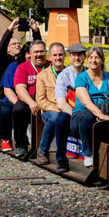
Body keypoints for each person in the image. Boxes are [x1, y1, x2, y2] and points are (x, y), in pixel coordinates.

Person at [69, 46, 109, 168]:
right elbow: (86, 102)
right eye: (91, 57)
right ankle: (88, 153)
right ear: (87, 60)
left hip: (105, 110)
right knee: (87, 116)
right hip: (81, 115)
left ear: (102, 60)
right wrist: (101, 116)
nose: (93, 60)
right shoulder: (81, 78)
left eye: (97, 57)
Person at [35, 42, 70, 171]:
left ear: (65, 56)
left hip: (67, 108)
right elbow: (41, 100)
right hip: (49, 110)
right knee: (55, 118)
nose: (58, 58)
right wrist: (58, 108)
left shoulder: (70, 73)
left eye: (60, 54)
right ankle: (42, 151)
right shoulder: (42, 76)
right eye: (55, 55)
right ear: (50, 57)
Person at [10, 40, 47, 161]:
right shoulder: (23, 67)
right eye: (36, 52)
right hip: (29, 100)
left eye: (41, 51)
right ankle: (21, 144)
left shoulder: (50, 66)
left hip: (48, 99)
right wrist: (31, 102)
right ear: (30, 53)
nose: (39, 54)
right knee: (18, 109)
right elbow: (20, 88)